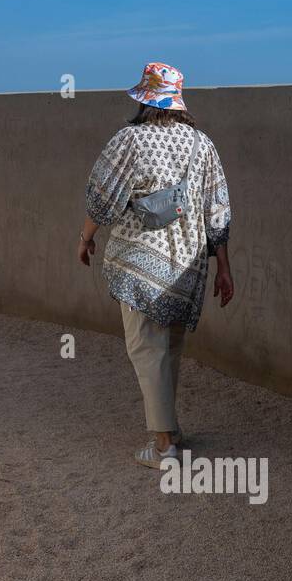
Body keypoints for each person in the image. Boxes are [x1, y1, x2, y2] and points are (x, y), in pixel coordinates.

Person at [78, 61, 233, 468]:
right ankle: (172, 430)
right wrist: (224, 267)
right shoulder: (203, 145)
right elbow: (218, 210)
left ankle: (164, 446)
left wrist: (86, 237)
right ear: (179, 102)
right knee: (169, 348)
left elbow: (102, 198)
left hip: (140, 261)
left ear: (145, 100)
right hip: (189, 263)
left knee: (147, 348)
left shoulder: (130, 140)